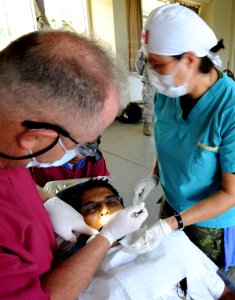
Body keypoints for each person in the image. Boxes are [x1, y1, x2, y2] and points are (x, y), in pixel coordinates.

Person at [0, 30, 148, 299]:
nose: (84, 153)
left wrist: (47, 200)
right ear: (35, 139)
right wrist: (104, 239)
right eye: (79, 143)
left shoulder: (9, 146)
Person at [133, 4, 235, 273]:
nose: (153, 74)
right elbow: (170, 139)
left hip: (212, 223)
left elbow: (231, 193)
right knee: (167, 274)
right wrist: (154, 176)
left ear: (190, 59)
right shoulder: (168, 94)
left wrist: (171, 225)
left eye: (158, 65)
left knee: (203, 284)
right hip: (173, 205)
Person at [56, 178, 235, 300]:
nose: (106, 209)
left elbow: (224, 293)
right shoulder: (83, 277)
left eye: (112, 202)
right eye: (92, 208)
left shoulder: (172, 240)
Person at [30, 136, 109, 188]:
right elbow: (41, 192)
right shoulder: (44, 163)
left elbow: (103, 184)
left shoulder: (95, 159)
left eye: (85, 149)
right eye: (71, 149)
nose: (78, 156)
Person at [135, 48, 156, 136]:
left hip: (164, 78)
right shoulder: (146, 46)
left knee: (163, 103)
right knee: (149, 102)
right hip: (149, 78)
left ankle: (159, 124)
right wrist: (140, 72)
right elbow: (139, 61)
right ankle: (146, 126)